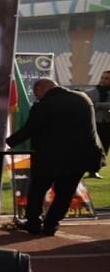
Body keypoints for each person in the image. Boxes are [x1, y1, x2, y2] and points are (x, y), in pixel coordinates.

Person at [6, 79, 104, 235]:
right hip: (81, 157)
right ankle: (51, 224)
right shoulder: (83, 98)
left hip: (50, 158)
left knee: (38, 190)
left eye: (36, 93)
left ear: (40, 89)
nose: (36, 97)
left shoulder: (44, 105)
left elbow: (29, 129)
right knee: (65, 193)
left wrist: (6, 143)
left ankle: (33, 223)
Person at [92, 70, 110, 175]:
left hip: (107, 123)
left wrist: (99, 105)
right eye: (103, 77)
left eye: (107, 78)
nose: (103, 80)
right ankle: (92, 169)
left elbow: (96, 105)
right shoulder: (91, 92)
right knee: (94, 147)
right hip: (95, 123)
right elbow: (91, 106)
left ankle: (97, 169)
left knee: (105, 146)